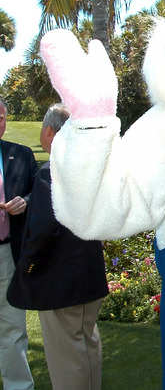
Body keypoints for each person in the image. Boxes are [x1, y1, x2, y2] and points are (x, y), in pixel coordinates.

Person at [7, 103, 108, 390]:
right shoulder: (89, 170)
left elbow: (41, 231)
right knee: (87, 347)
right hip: (88, 278)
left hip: (60, 283)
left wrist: (27, 267)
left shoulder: (51, 174)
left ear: (50, 132)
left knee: (67, 360)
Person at [0, 97, 37, 390]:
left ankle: (18, 386)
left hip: (7, 254)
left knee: (12, 327)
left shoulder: (21, 155)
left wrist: (24, 202)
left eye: (1, 117)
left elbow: (40, 192)